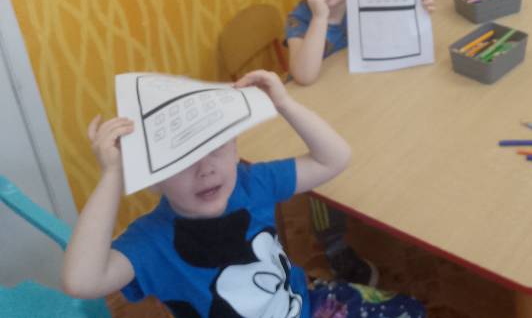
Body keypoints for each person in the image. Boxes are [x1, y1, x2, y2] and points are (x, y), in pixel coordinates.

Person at [62, 70, 425, 317]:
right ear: (152, 179)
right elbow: (81, 281)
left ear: (236, 148)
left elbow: (334, 158)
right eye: (182, 161)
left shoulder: (251, 183)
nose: (205, 168)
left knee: (410, 310)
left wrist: (283, 104)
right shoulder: (151, 242)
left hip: (301, 306)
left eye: (216, 148)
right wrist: (113, 175)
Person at [286, 0, 432, 286]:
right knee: (323, 180)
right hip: (320, 120)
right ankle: (334, 246)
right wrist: (321, 18)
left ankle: (380, 198)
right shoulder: (300, 18)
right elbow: (304, 75)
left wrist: (419, 5)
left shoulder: (364, 2)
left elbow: (402, 37)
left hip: (360, 105)